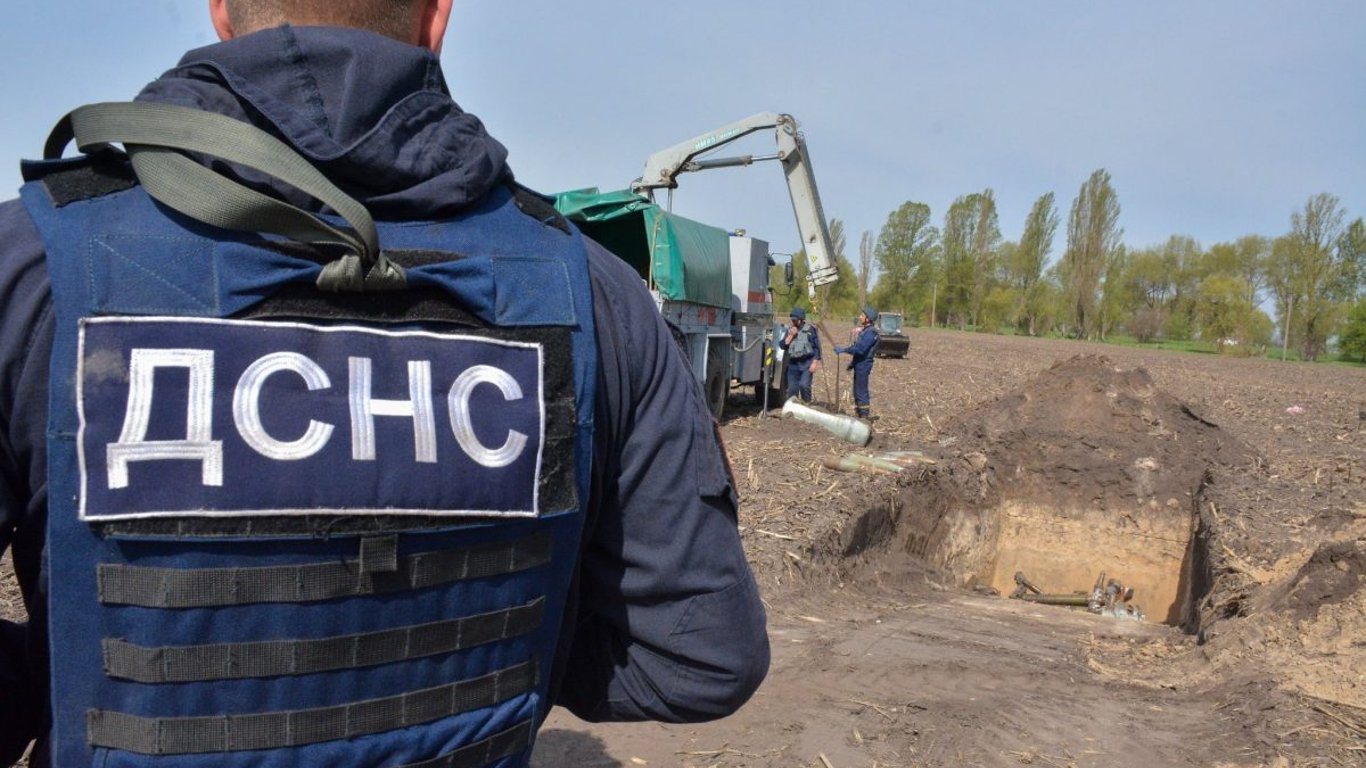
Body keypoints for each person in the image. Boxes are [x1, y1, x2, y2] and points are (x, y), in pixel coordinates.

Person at [0, 2, 769, 766]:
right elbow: (702, 656)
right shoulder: (596, 293)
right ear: (437, 17)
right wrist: (513, 654)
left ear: (221, 13)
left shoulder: (30, 267)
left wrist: (72, 673)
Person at [836, 306, 880, 419]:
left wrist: (844, 350)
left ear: (868, 319)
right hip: (859, 363)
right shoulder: (865, 331)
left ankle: (864, 417)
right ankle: (859, 414)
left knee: (861, 391)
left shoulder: (871, 333)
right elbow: (858, 349)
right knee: (856, 391)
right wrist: (852, 364)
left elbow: (860, 350)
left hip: (864, 365)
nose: (860, 317)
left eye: (862, 315)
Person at [778, 306, 822, 403]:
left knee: (804, 385)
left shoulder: (810, 330)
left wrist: (814, 363)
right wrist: (790, 336)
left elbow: (817, 348)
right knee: (792, 389)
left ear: (801, 320)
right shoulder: (790, 330)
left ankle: (807, 405)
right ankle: (793, 407)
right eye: (792, 320)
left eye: (795, 320)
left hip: (807, 363)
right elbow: (782, 345)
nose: (793, 322)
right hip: (793, 364)